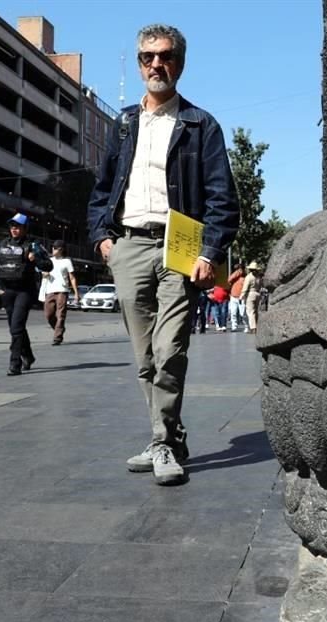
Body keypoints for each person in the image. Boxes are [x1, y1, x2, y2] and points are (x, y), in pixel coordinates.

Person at [87, 23, 240, 486]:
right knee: (144, 357)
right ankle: (168, 437)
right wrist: (103, 239)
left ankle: (161, 442)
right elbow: (102, 187)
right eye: (148, 57)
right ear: (139, 64)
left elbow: (222, 198)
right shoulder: (126, 123)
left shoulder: (200, 125)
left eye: (166, 55)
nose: (157, 64)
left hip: (182, 244)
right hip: (129, 244)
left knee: (170, 348)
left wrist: (210, 251)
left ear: (181, 62)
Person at [0, 213, 53, 376]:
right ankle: (28, 356)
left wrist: (36, 259)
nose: (14, 229)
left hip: (24, 292)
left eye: (17, 226)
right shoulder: (2, 245)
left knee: (17, 327)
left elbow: (48, 266)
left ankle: (15, 363)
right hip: (7, 291)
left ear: (25, 228)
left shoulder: (34, 246)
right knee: (15, 327)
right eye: (12, 226)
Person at [42, 239, 79, 346]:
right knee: (48, 315)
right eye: (52, 247)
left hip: (62, 291)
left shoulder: (67, 261)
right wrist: (44, 274)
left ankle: (57, 337)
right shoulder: (49, 260)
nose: (52, 249)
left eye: (54, 247)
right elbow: (44, 272)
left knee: (60, 314)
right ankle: (59, 329)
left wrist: (76, 293)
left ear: (61, 249)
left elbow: (72, 278)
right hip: (49, 290)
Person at [241, 261, 262, 334]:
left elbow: (245, 288)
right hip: (257, 293)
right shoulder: (258, 277)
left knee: (250, 312)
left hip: (250, 294)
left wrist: (241, 296)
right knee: (256, 311)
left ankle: (253, 327)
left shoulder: (249, 277)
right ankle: (256, 326)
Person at [227, 262, 246, 331]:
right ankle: (234, 326)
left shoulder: (244, 278)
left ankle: (246, 326)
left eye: (240, 269)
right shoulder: (235, 278)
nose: (238, 271)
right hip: (233, 296)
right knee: (233, 313)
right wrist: (237, 272)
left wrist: (239, 272)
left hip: (241, 297)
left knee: (242, 313)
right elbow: (229, 279)